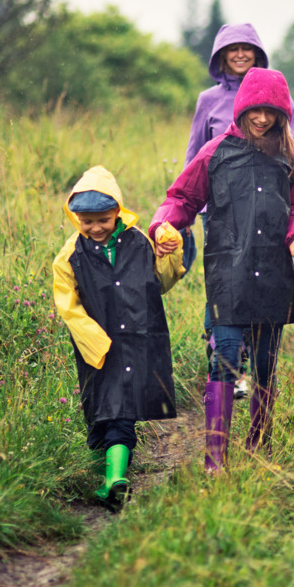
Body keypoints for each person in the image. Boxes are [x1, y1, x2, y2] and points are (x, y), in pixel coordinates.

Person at [151, 68, 294, 472]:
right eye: (256, 110)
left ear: (283, 114)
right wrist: (165, 226)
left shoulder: (290, 157)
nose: (262, 119)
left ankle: (259, 444)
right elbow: (181, 199)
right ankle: (215, 458)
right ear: (242, 108)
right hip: (228, 273)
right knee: (223, 357)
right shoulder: (215, 153)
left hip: (274, 272)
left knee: (265, 363)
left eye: (272, 112)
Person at [53, 165, 184, 508]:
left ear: (117, 213)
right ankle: (103, 477)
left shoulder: (140, 242)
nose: (95, 228)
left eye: (103, 220)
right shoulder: (70, 255)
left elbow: (162, 282)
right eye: (86, 221)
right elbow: (67, 303)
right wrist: (91, 338)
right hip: (97, 346)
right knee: (99, 411)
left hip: (138, 339)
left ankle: (115, 480)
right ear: (75, 217)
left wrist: (171, 252)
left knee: (122, 412)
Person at [182, 23, 294, 398]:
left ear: (257, 53)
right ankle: (223, 363)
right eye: (231, 49)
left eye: (246, 49)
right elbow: (196, 154)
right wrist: (189, 211)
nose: (239, 55)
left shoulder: (280, 99)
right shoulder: (207, 100)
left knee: (259, 284)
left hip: (263, 210)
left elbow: (288, 150)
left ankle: (244, 365)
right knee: (224, 284)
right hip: (219, 209)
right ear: (219, 55)